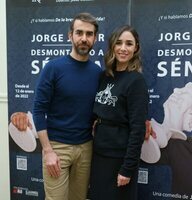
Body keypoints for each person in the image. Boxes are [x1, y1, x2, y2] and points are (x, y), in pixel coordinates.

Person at [12, 12, 102, 200]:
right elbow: (38, 110)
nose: (84, 38)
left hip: (86, 148)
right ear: (70, 36)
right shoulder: (53, 68)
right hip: (57, 148)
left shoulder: (97, 72)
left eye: (89, 34)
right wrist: (48, 151)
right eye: (79, 33)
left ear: (95, 38)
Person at [89, 25, 149, 200]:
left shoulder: (136, 81)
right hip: (99, 155)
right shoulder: (104, 76)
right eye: (119, 43)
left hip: (120, 159)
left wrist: (127, 168)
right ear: (112, 46)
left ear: (136, 48)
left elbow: (138, 129)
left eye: (129, 44)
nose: (123, 48)